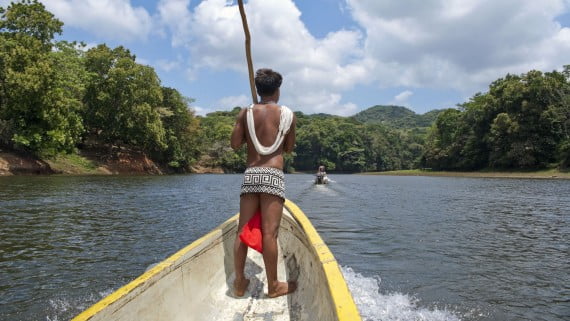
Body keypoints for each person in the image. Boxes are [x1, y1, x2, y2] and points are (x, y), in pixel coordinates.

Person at [230, 68, 297, 298]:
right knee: (270, 234)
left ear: (258, 90)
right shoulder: (288, 114)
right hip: (273, 175)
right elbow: (288, 148)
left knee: (242, 231)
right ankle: (274, 285)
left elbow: (235, 144)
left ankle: (239, 283)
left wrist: (250, 123)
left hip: (251, 174)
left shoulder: (245, 113)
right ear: (277, 90)